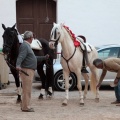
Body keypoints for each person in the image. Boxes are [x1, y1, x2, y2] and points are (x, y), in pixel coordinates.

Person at [16, 31, 49, 112]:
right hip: (27, 70)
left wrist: (44, 57)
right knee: (27, 90)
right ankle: (26, 107)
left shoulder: (27, 46)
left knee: (26, 90)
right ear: (30, 38)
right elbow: (20, 57)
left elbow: (34, 58)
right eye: (32, 37)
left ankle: (24, 106)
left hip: (28, 70)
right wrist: (18, 65)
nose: (33, 39)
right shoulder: (25, 46)